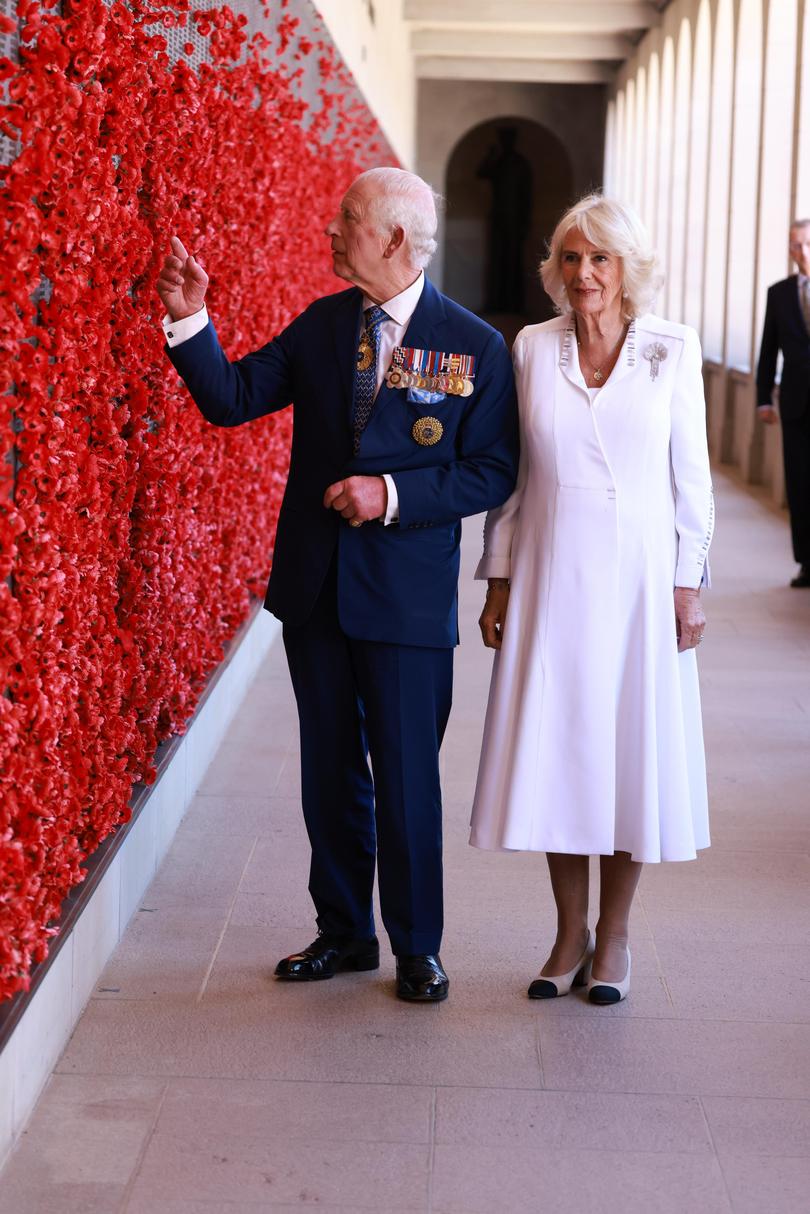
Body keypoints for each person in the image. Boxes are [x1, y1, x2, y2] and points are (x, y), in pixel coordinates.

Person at [156, 167, 518, 1003]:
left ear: (394, 237)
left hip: (406, 603)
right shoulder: (324, 325)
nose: (331, 230)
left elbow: (492, 471)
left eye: (347, 219)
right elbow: (233, 397)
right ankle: (344, 932)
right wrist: (189, 319)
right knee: (330, 773)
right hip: (317, 593)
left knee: (405, 777)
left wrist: (388, 495)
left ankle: (418, 947)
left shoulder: (473, 344)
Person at [470, 194, 714, 1005]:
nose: (584, 275)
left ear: (628, 267)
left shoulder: (672, 348)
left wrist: (690, 584)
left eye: (600, 259)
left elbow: (694, 482)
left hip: (642, 581)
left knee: (627, 751)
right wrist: (499, 574)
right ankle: (566, 932)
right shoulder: (532, 348)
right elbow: (514, 474)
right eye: (571, 259)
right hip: (551, 573)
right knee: (560, 752)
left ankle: (614, 938)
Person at [756, 219, 810, 588]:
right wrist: (763, 399)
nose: (801, 252)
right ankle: (807, 562)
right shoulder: (779, 293)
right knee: (800, 483)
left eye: (806, 244)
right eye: (794, 245)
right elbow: (767, 350)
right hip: (795, 403)